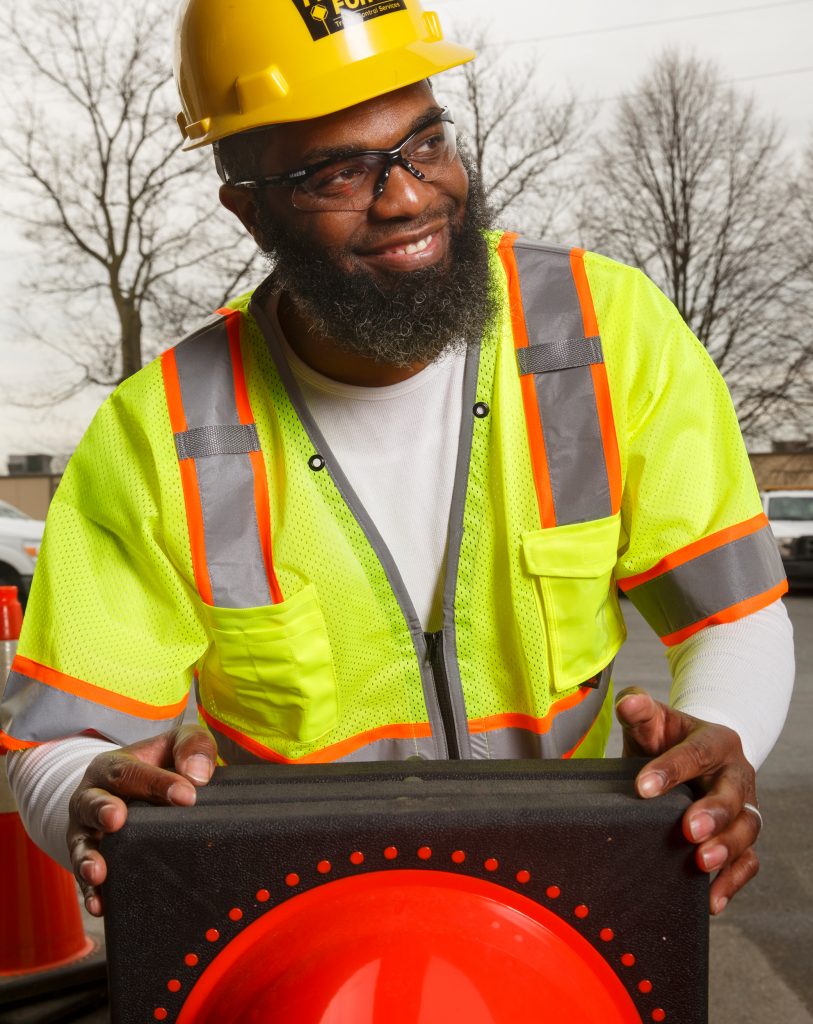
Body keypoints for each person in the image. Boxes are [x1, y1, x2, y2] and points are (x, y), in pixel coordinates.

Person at [0, 0, 794, 923]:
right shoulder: (159, 435)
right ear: (248, 211)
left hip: (572, 893)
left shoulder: (606, 334)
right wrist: (91, 801)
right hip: (302, 918)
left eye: (424, 142)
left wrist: (713, 748)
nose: (410, 195)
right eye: (339, 173)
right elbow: (61, 745)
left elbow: (733, 615)